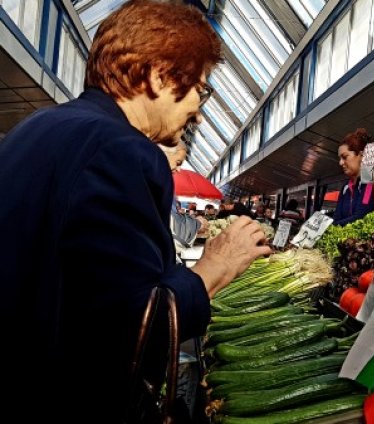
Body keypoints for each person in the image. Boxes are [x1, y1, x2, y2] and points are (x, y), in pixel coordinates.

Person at [0, 1, 272, 421]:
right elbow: (134, 327)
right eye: (201, 88)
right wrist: (218, 265)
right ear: (159, 74)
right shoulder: (121, 151)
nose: (199, 109)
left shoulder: (35, 129)